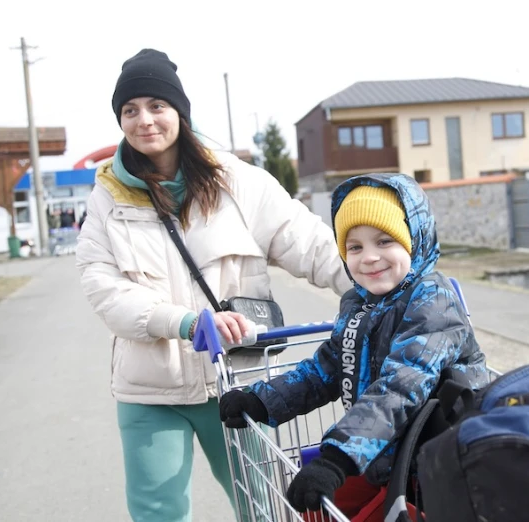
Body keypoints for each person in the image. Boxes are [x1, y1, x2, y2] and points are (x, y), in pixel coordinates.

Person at [75, 48, 351, 522]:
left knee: (262, 504)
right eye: (130, 110)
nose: (145, 120)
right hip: (150, 388)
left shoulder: (235, 181)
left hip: (235, 380)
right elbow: (103, 288)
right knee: (157, 511)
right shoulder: (107, 199)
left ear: (179, 111)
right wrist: (182, 323)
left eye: (157, 106)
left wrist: (385, 282)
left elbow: (306, 242)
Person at [218, 173, 490, 519]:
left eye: (385, 241)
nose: (370, 258)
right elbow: (327, 368)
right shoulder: (359, 303)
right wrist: (261, 399)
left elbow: (400, 387)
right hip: (384, 455)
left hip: (434, 464)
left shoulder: (433, 301)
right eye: (355, 247)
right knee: (313, 508)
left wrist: (336, 458)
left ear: (415, 240)